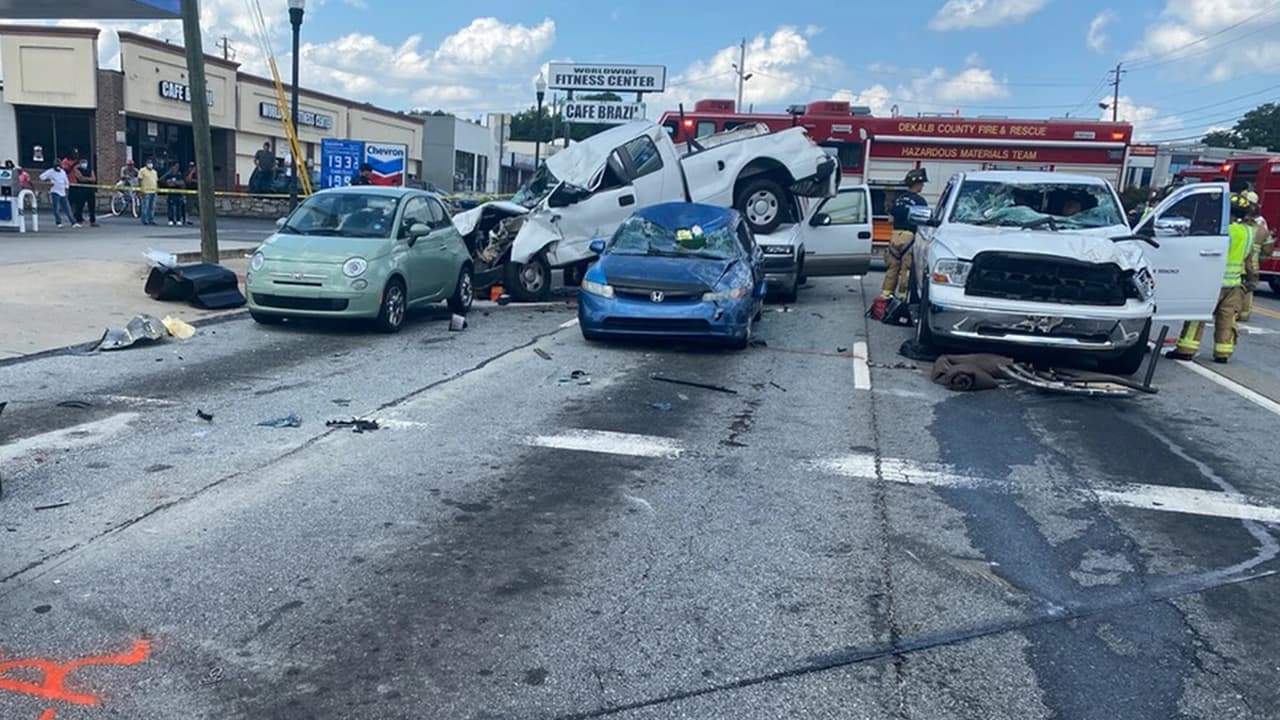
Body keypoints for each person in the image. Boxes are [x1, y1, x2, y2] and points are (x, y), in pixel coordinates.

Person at [1167, 193, 1258, 364]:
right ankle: (1223, 353)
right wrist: (1252, 280)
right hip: (1235, 284)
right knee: (1227, 318)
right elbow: (1250, 260)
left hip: (1212, 281)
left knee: (1197, 315)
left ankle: (1186, 349)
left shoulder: (1222, 230)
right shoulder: (1248, 232)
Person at [883, 168, 927, 299]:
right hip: (909, 238)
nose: (923, 186)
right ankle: (902, 298)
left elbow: (890, 219)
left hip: (895, 237)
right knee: (906, 271)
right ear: (917, 184)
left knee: (892, 269)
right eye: (922, 183)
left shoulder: (899, 199)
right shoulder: (920, 201)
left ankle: (885, 297)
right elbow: (923, 223)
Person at [1237, 192, 1270, 322]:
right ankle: (1243, 312)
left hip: (1244, 259)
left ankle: (1239, 312)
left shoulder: (1247, 221)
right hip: (1251, 261)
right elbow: (1266, 243)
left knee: (1243, 287)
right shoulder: (1261, 222)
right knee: (1247, 287)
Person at [39, 163, 74, 228]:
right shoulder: (50, 171)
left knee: (67, 208)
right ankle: (58, 222)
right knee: (56, 208)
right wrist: (48, 180)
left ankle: (73, 222)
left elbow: (66, 182)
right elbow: (41, 177)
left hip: (63, 192)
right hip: (55, 191)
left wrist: (67, 190)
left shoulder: (63, 172)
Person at [71, 158, 98, 227]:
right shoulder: (77, 170)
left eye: (85, 162)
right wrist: (88, 179)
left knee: (92, 206)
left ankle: (93, 221)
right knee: (80, 206)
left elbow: (94, 179)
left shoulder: (90, 170)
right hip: (81, 190)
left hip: (90, 190)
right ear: (80, 164)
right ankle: (79, 220)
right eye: (83, 162)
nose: (84, 164)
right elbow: (80, 178)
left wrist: (85, 178)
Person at [161, 161, 186, 226]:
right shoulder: (168, 174)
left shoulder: (179, 174)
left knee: (179, 207)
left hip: (178, 193)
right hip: (171, 193)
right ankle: (171, 219)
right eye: (175, 166)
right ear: (172, 167)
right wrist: (170, 183)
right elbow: (164, 181)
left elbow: (182, 183)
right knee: (171, 207)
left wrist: (175, 182)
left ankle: (178, 219)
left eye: (177, 167)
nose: (176, 168)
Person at [138, 159, 159, 226]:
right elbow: (140, 180)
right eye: (149, 163)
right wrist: (141, 190)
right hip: (146, 191)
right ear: (146, 163)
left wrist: (157, 190)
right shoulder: (142, 170)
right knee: (145, 206)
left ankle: (151, 219)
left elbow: (156, 181)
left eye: (151, 163)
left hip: (153, 191)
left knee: (152, 207)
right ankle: (145, 220)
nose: (150, 164)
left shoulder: (154, 172)